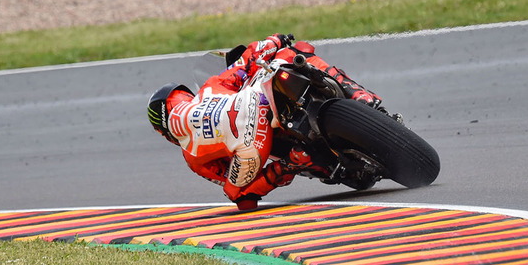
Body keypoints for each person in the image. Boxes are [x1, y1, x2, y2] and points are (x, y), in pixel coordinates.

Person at [146, 34, 387, 210]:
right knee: (296, 51)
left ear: (164, 131)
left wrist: (278, 171)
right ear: (185, 96)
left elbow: (239, 194)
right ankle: (359, 94)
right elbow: (248, 59)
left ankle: (293, 162)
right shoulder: (211, 87)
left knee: (236, 193)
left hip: (252, 148)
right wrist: (276, 39)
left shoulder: (192, 157)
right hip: (257, 102)